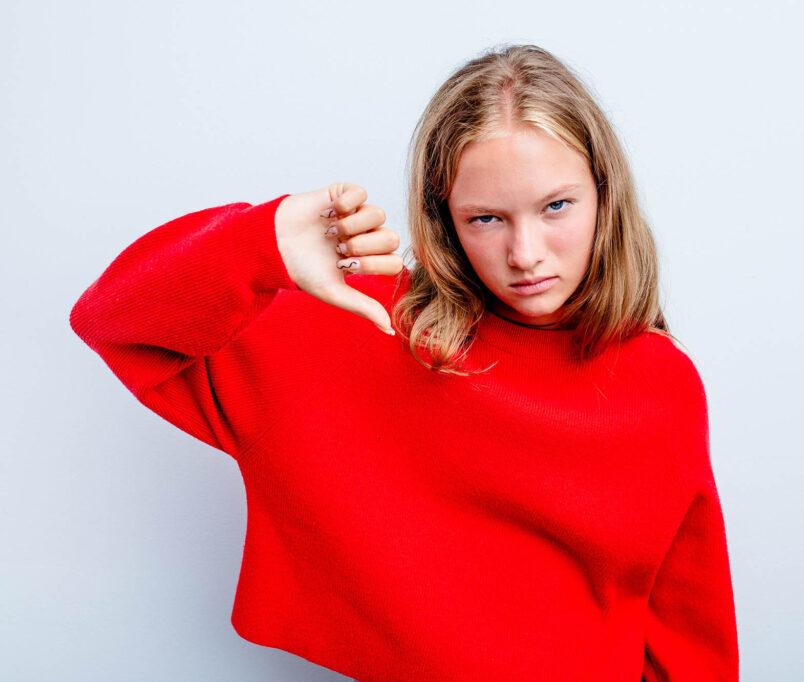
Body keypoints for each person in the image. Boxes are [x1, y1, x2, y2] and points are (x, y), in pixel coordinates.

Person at [69, 44, 739, 681]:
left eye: (556, 206)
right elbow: (114, 321)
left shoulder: (661, 384)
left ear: (604, 196)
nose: (526, 253)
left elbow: (690, 638)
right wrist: (258, 243)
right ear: (444, 217)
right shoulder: (362, 327)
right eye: (486, 219)